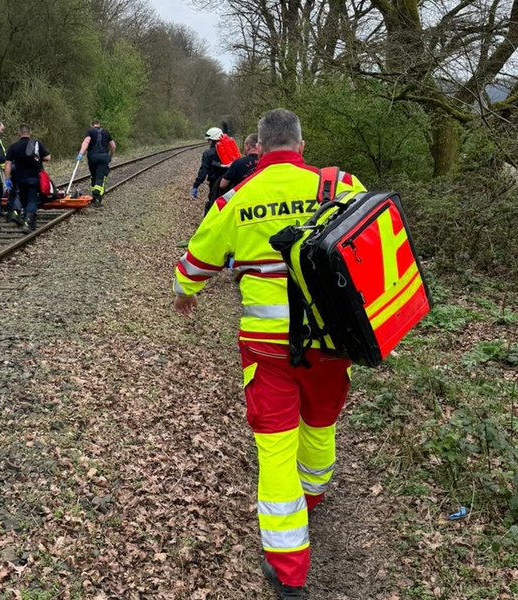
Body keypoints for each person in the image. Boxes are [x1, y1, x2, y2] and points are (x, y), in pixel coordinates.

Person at [172, 108, 366, 599]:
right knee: (321, 425)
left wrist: (184, 293)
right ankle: (312, 499)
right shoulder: (341, 185)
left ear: (258, 146)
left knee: (275, 449)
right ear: (300, 145)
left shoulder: (238, 198)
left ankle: (288, 573)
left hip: (267, 349)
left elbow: (196, 262)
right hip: (329, 343)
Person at [4, 124, 51, 233]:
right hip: (35, 178)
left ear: (19, 133)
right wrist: (38, 159)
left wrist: (7, 179)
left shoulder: (13, 146)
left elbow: (7, 164)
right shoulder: (37, 144)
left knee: (24, 200)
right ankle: (28, 223)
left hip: (21, 179)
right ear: (30, 133)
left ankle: (26, 219)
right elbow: (48, 157)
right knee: (32, 201)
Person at [76, 118, 115, 207]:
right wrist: (111, 155)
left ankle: (94, 196)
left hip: (92, 157)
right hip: (104, 157)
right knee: (100, 178)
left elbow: (86, 142)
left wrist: (81, 154)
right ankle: (97, 198)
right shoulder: (106, 132)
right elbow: (113, 146)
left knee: (94, 176)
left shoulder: (90, 131)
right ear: (99, 124)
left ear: (91, 125)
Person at [191, 126, 230, 215]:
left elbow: (203, 172)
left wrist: (196, 185)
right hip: (229, 182)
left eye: (209, 140)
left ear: (212, 140)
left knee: (214, 204)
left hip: (215, 183)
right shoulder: (229, 151)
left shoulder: (208, 154)